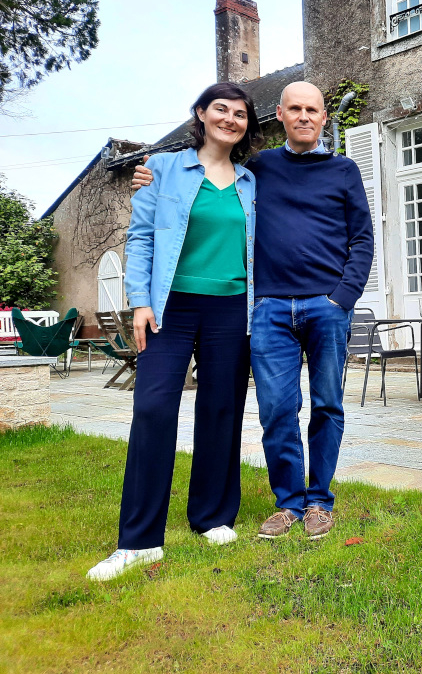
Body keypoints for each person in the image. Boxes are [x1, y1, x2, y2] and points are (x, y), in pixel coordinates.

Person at [132, 81, 374, 542]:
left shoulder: (344, 170)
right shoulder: (257, 169)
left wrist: (342, 298)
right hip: (267, 308)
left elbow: (362, 239)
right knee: (277, 410)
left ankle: (320, 499)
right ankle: (289, 503)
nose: (304, 116)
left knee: (327, 404)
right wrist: (149, 177)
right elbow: (197, 189)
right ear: (279, 115)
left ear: (324, 118)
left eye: (313, 110)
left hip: (327, 307)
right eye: (295, 109)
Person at [87, 82, 260, 581]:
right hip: (170, 306)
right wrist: (138, 301)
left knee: (221, 407)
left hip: (232, 307)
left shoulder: (251, 182)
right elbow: (140, 237)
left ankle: (211, 516)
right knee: (155, 406)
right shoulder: (161, 169)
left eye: (240, 113)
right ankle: (139, 541)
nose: (230, 119)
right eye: (221, 109)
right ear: (202, 114)